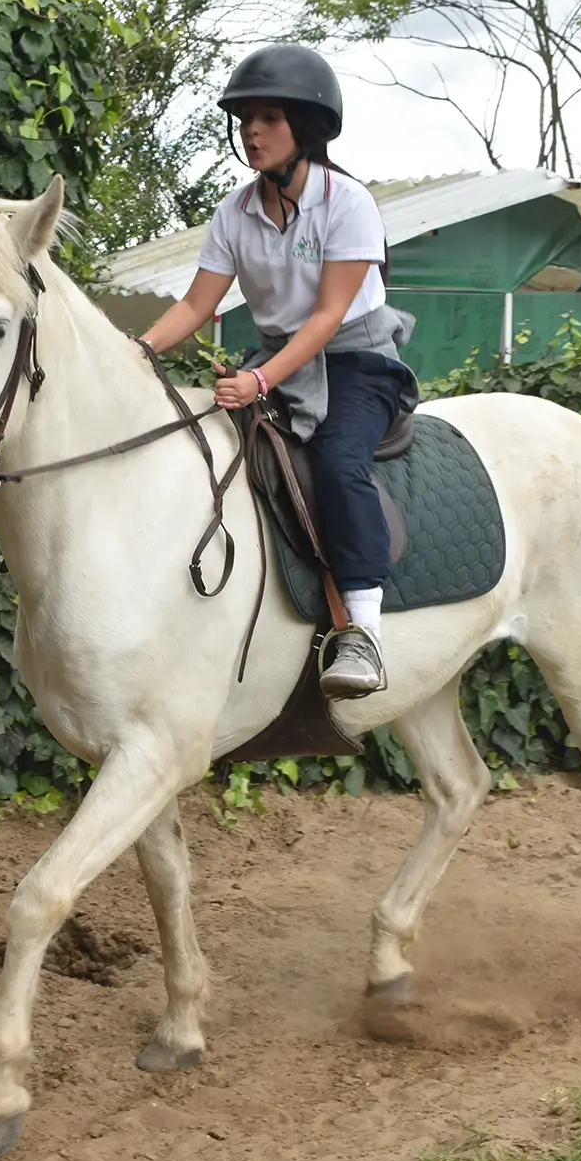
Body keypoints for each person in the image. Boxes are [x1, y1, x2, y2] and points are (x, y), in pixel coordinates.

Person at [138, 43, 419, 700]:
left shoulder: (349, 204)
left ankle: (364, 633)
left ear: (307, 128)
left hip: (357, 358)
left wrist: (260, 382)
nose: (252, 132)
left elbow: (325, 319)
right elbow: (196, 304)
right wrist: (139, 349)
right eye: (245, 121)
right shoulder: (234, 212)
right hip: (279, 356)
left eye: (268, 118)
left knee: (338, 458)